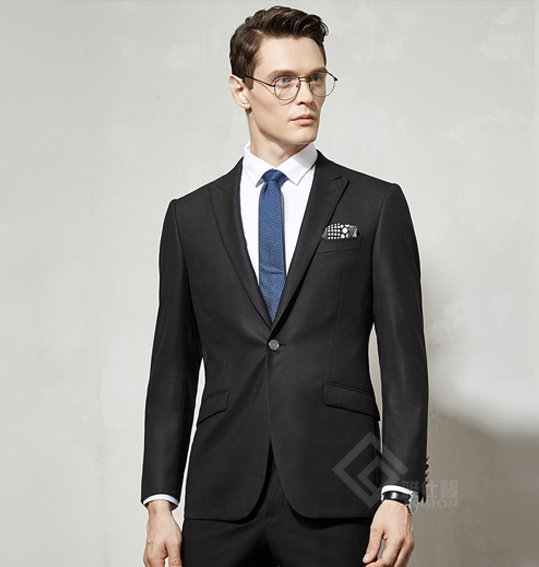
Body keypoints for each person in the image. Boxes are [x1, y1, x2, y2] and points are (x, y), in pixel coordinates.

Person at [141, 6, 429, 567]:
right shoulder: (189, 218)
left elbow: (404, 364)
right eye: (284, 80)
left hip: (339, 491)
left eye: (316, 78)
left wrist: (398, 494)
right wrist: (159, 502)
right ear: (240, 90)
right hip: (221, 496)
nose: (306, 96)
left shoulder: (374, 205)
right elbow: (172, 367)